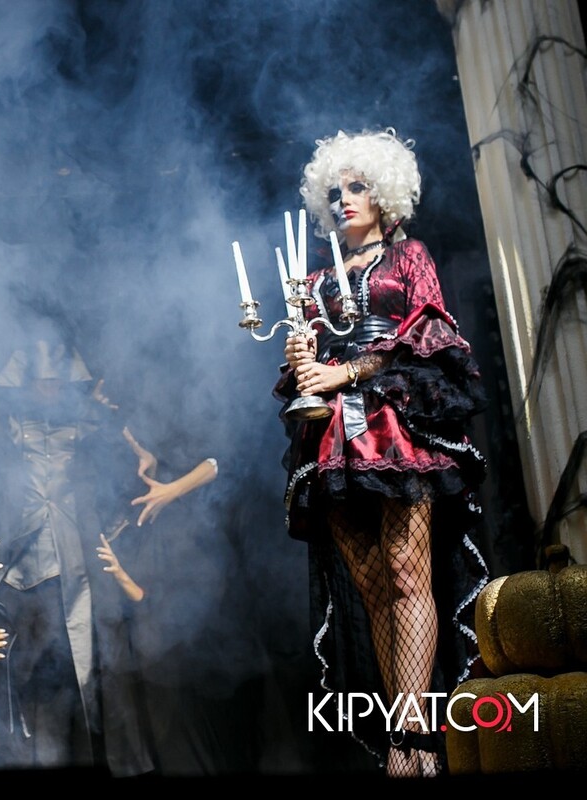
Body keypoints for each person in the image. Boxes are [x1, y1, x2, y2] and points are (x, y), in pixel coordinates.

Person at [277, 129, 487, 777]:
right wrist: (302, 357)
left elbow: (426, 329)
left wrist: (346, 370)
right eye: (335, 191)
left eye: (358, 186)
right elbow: (309, 364)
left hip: (397, 423)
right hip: (333, 437)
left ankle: (411, 741)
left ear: (385, 194)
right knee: (372, 589)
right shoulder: (313, 282)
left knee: (405, 575)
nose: (344, 199)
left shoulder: (409, 256)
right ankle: (410, 747)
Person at [0, 334, 217, 775]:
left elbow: (155, 462)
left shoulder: (94, 422)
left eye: (57, 382)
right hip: (17, 570)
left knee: (97, 683)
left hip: (81, 565)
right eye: (41, 382)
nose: (49, 389)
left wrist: (146, 465)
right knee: (12, 684)